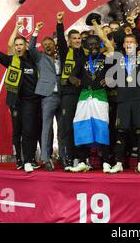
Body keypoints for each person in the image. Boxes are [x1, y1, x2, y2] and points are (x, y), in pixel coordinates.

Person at [0, 30, 40, 173]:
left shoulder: (33, 60)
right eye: (16, 45)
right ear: (14, 47)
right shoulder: (11, 60)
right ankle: (19, 160)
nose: (19, 47)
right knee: (17, 132)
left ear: (26, 46)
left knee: (28, 130)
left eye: (21, 44)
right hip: (15, 102)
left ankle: (28, 160)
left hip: (31, 101)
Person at [68, 17, 114, 173]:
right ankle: (82, 160)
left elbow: (116, 75)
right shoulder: (82, 59)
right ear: (86, 47)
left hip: (100, 96)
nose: (93, 46)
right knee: (82, 127)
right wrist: (75, 81)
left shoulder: (106, 57)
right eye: (90, 45)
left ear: (100, 45)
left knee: (102, 128)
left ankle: (106, 162)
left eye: (96, 44)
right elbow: (71, 76)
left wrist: (110, 79)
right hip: (84, 96)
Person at [110, 34, 140, 173]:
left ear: (137, 45)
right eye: (127, 42)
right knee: (121, 132)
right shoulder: (118, 59)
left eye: (132, 42)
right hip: (123, 100)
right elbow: (106, 42)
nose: (129, 44)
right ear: (123, 45)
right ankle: (119, 163)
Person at [29, 22, 63, 171]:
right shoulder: (39, 57)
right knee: (46, 128)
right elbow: (30, 48)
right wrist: (36, 31)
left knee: (63, 128)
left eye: (50, 43)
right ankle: (45, 157)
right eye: (45, 44)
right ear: (42, 47)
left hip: (61, 95)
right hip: (48, 96)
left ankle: (63, 156)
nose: (48, 45)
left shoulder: (61, 58)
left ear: (54, 45)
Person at [56, 11, 84, 171]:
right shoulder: (66, 52)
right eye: (74, 38)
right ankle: (68, 157)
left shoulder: (85, 53)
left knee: (80, 126)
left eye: (79, 38)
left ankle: (81, 158)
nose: (77, 40)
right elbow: (60, 41)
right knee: (67, 127)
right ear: (69, 41)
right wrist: (59, 23)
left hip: (83, 95)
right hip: (68, 95)